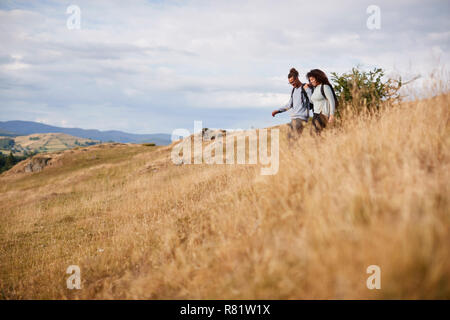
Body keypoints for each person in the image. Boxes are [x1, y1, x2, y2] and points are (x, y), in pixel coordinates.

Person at [272, 68, 312, 140]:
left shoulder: (305, 87)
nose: (292, 84)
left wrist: (308, 89)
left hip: (301, 118)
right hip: (293, 119)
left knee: (293, 139)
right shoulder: (294, 90)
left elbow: (312, 99)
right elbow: (289, 104)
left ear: (297, 78)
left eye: (293, 82)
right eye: (290, 83)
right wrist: (278, 111)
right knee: (289, 139)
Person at [306, 69, 337, 135]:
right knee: (313, 134)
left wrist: (332, 115)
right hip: (315, 114)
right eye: (310, 80)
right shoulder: (316, 88)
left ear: (318, 77)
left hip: (323, 114)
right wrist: (307, 90)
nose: (311, 81)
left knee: (315, 133)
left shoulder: (325, 87)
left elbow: (332, 101)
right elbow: (312, 101)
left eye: (312, 79)